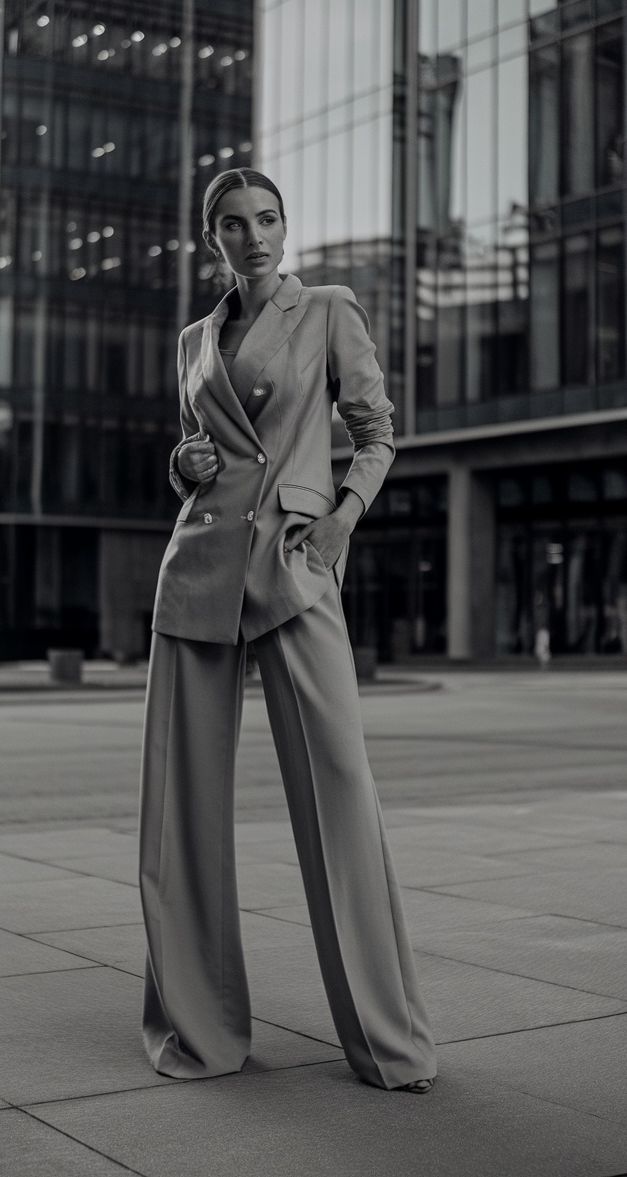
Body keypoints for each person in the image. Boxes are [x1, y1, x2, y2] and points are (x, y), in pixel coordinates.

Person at [138, 168, 437, 1093]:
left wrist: (345, 515)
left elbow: (377, 430)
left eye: (267, 219)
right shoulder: (194, 338)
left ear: (284, 226)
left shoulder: (329, 309)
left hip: (297, 568)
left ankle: (388, 1043)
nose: (255, 236)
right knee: (179, 815)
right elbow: (201, 453)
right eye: (234, 224)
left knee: (341, 793)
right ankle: (203, 1031)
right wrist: (184, 461)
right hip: (196, 577)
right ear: (211, 239)